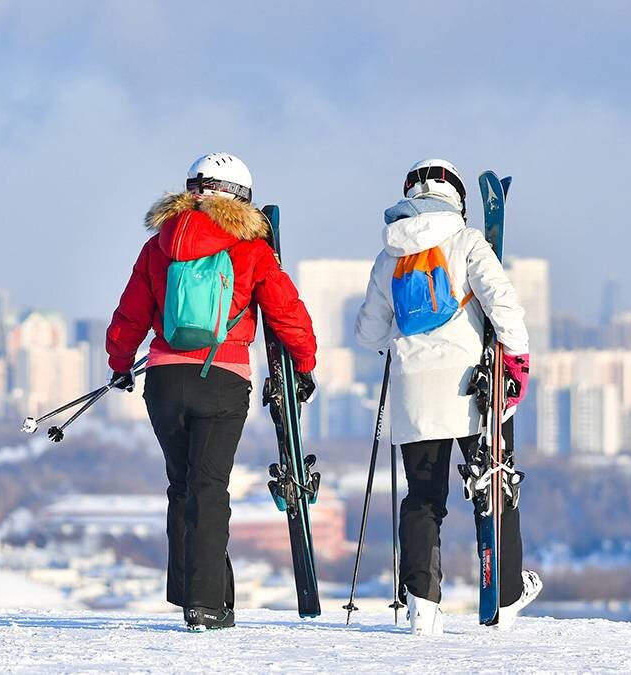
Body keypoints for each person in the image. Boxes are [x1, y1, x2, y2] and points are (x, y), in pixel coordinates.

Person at [106, 152, 318, 630]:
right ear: (242, 196)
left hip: (163, 380)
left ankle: (191, 593)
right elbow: (287, 313)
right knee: (209, 487)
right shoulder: (252, 248)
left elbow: (130, 314)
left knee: (181, 485)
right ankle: (205, 604)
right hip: (222, 380)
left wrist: (120, 364)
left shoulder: (159, 245)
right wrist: (304, 365)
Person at [355, 158, 542, 635]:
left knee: (423, 498)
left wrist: (403, 340)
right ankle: (503, 592)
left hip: (414, 391)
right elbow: (504, 305)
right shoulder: (467, 242)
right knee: (494, 485)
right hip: (474, 388)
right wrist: (516, 363)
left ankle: (422, 605)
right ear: (458, 197)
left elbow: (369, 333)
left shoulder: (388, 255)